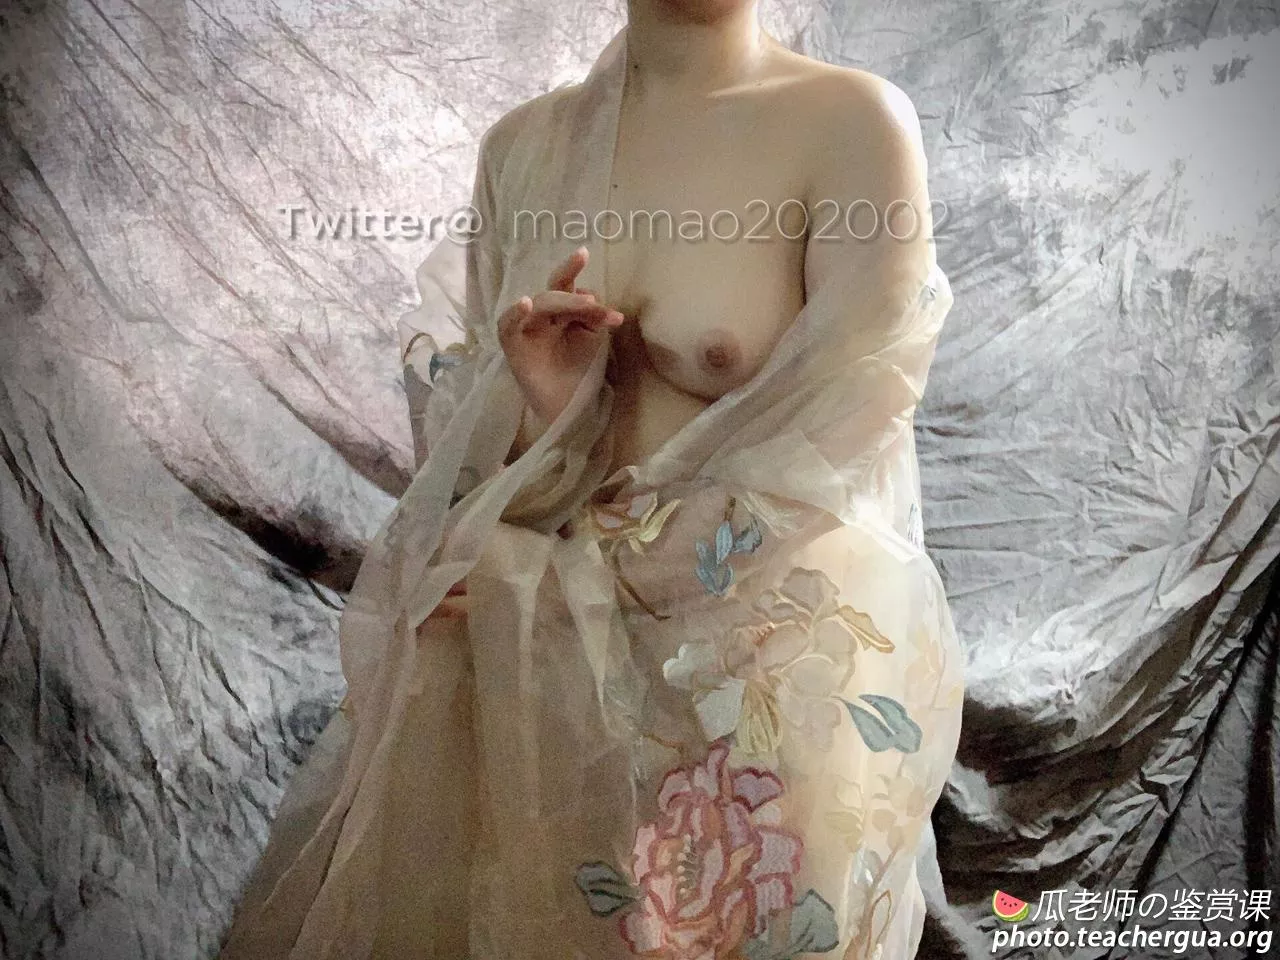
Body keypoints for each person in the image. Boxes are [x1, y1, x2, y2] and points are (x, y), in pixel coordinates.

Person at [220, 2, 963, 958]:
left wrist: (545, 583)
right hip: (543, 702)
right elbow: (475, 474)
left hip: (754, 702)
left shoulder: (852, 125)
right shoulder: (524, 151)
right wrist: (550, 408)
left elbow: (834, 456)